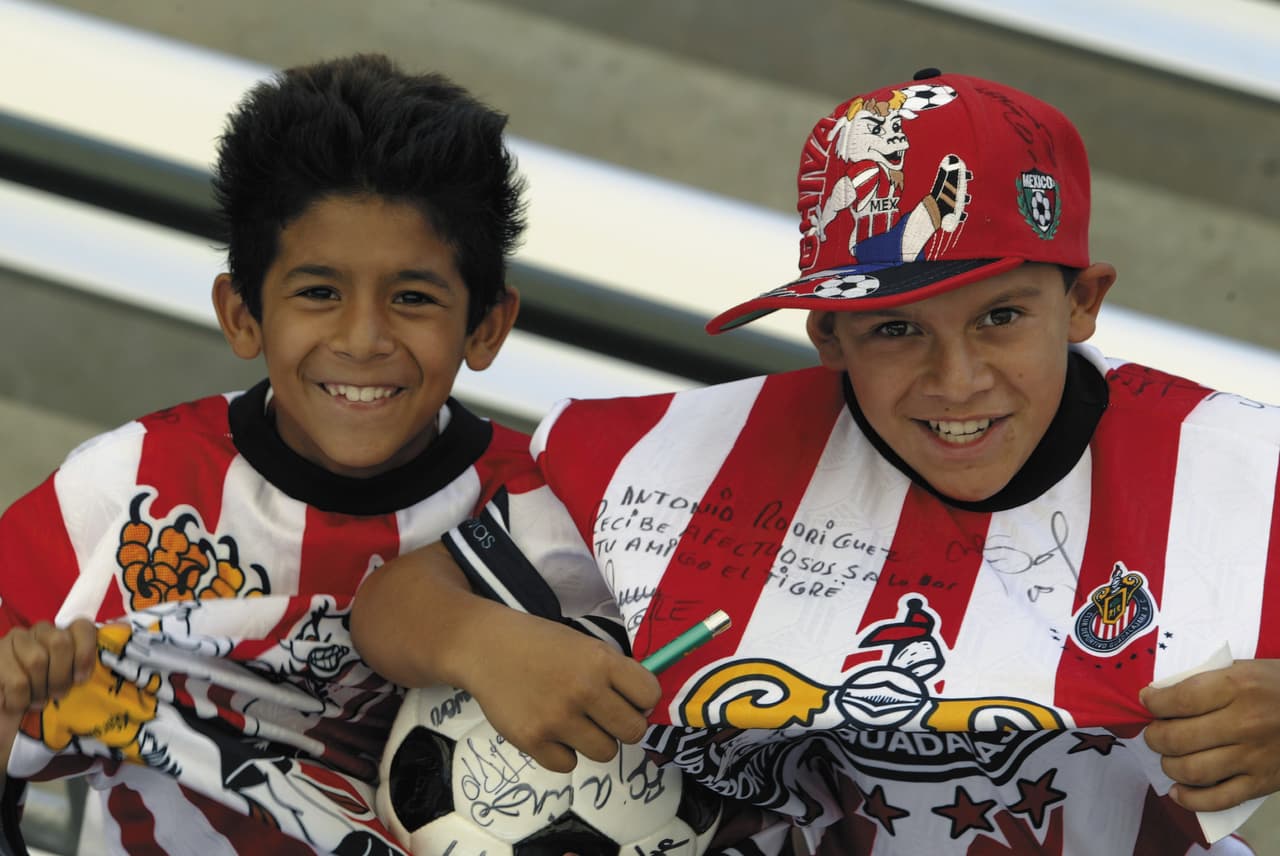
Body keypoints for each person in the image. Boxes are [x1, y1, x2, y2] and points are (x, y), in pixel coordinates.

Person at [351, 68, 1280, 855]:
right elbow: (395, 604)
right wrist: (485, 644)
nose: (957, 380)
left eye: (1001, 316)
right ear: (828, 334)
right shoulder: (700, 462)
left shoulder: (1239, 474)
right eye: (896, 330)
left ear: (1082, 302)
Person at [0, 53, 571, 854]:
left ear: (486, 325)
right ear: (242, 313)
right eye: (319, 292)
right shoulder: (124, 488)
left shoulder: (552, 516)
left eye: (412, 297)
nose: (363, 339)